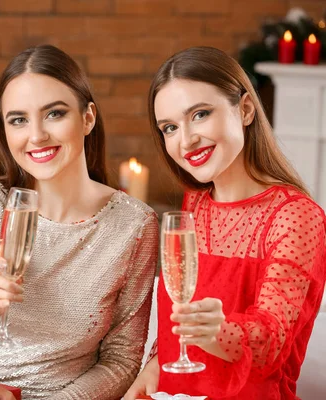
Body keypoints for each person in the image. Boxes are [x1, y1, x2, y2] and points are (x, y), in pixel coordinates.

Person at [0, 44, 158, 400]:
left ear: (88, 118)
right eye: (18, 120)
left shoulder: (134, 224)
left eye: (54, 114)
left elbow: (122, 361)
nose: (36, 135)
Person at [124, 46, 326, 400]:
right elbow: (179, 318)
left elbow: (272, 344)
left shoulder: (296, 215)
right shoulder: (197, 203)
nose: (185, 141)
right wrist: (156, 363)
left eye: (200, 114)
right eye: (169, 127)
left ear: (245, 109)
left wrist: (222, 331)